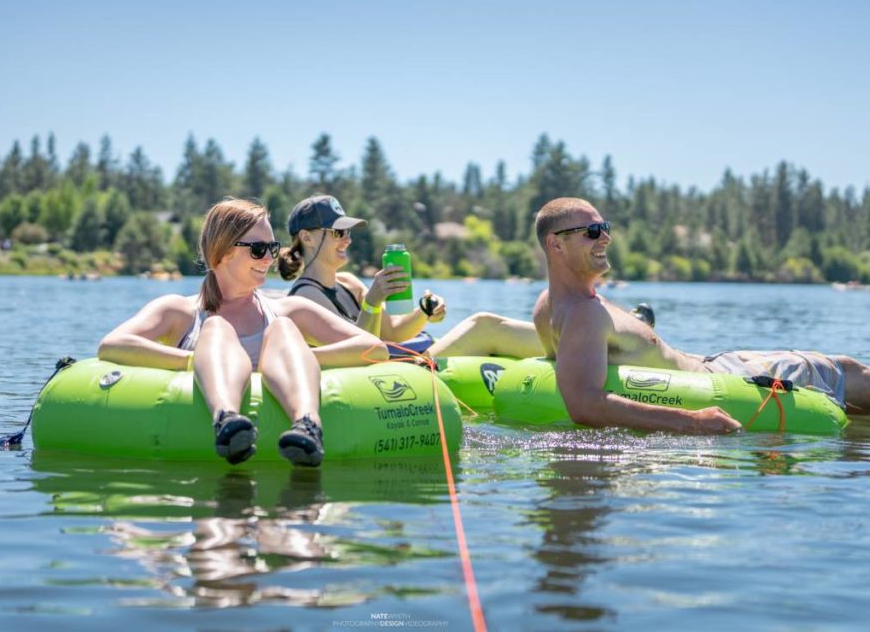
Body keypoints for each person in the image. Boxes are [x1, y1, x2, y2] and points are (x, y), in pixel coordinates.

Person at [532, 197, 870, 435]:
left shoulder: (550, 304)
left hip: (714, 365)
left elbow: (575, 361)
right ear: (556, 243)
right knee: (845, 372)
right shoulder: (583, 314)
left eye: (606, 229)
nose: (606, 238)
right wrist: (692, 421)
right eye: (592, 231)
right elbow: (584, 404)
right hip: (722, 379)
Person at [99, 198, 388, 467]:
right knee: (216, 328)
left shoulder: (290, 310)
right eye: (258, 249)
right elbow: (113, 345)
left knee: (284, 330)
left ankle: (307, 424)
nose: (268, 259)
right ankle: (227, 420)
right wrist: (192, 362)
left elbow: (374, 348)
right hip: (202, 435)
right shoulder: (180, 311)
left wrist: (306, 358)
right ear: (222, 252)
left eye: (272, 249)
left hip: (292, 400)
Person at [276, 194, 545, 359]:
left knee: (484, 325)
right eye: (338, 232)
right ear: (307, 237)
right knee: (483, 324)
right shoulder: (306, 298)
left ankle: (569, 352)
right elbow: (361, 352)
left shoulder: (349, 283)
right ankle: (576, 353)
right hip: (391, 375)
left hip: (404, 361)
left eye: (348, 232)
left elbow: (392, 333)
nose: (347, 239)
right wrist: (372, 302)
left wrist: (424, 312)